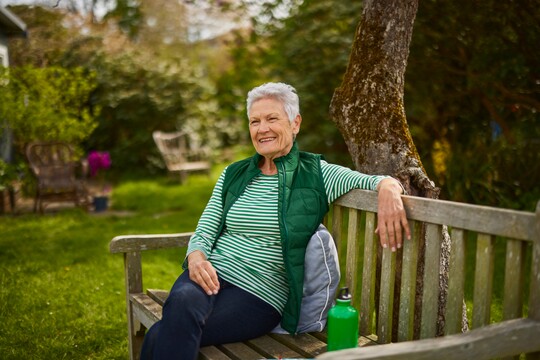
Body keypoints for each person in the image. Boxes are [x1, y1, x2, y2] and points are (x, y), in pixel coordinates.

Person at [141, 82, 410, 359]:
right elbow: (206, 227)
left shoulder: (315, 173)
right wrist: (196, 257)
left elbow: (376, 181)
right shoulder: (234, 173)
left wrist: (389, 188)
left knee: (162, 334)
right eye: (255, 121)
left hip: (259, 295)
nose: (262, 128)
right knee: (183, 301)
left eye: (272, 118)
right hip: (210, 273)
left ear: (295, 123)